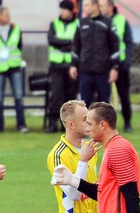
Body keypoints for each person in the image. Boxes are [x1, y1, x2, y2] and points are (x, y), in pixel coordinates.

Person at [0, 6, 27, 133]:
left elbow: (20, 45)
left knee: (18, 96)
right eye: (6, 15)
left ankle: (21, 125)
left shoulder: (16, 28)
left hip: (14, 66)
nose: (9, 17)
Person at [71, 0, 119, 107]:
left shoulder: (108, 23)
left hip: (103, 71)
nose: (84, 8)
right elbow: (76, 45)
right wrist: (73, 65)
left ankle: (103, 124)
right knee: (84, 104)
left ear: (95, 5)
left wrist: (114, 68)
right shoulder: (81, 23)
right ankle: (86, 124)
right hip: (85, 71)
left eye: (86, 5)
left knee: (103, 106)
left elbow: (115, 47)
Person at [99, 0, 134, 132]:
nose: (100, 8)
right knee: (103, 97)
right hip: (103, 65)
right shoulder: (99, 21)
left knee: (123, 94)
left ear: (110, 7)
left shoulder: (122, 21)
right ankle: (104, 123)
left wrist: (127, 62)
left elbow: (128, 43)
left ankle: (127, 122)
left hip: (121, 65)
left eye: (102, 6)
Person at [46, 1, 80, 133]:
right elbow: (52, 40)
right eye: (61, 10)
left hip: (72, 66)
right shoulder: (54, 24)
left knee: (70, 97)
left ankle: (67, 125)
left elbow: (77, 43)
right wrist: (68, 43)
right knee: (56, 94)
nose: (62, 12)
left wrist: (62, 44)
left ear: (71, 11)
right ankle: (52, 123)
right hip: (57, 65)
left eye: (64, 10)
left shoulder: (77, 25)